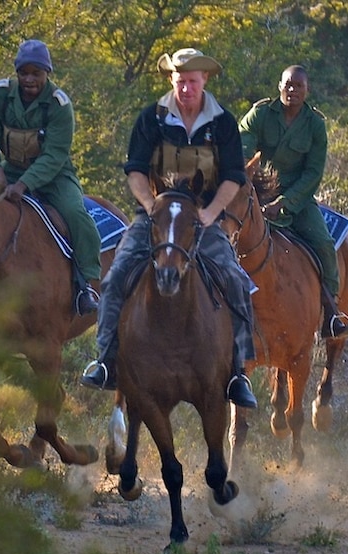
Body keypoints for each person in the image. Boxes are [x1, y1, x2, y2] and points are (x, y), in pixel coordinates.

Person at [80, 48, 258, 409]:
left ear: (204, 80)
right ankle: (107, 360)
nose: (187, 89)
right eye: (181, 82)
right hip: (156, 217)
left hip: (202, 221)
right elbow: (134, 171)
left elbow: (234, 177)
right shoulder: (152, 119)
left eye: (192, 82)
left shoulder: (222, 123)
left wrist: (211, 213)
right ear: (171, 81)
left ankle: (237, 372)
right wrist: (149, 206)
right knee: (115, 278)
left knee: (236, 281)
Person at [0, 39, 101, 315]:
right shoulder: (0, 95)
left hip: (54, 176)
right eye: (24, 73)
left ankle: (86, 284)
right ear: (16, 73)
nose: (29, 79)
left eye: (36, 73)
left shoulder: (58, 105)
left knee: (77, 215)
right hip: (9, 170)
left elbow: (54, 154)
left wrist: (24, 185)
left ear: (47, 73)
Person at [238, 65, 348, 338]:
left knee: (325, 244)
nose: (292, 90)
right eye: (288, 85)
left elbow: (313, 173)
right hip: (256, 193)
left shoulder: (315, 125)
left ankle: (331, 312)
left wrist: (285, 202)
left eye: (298, 86)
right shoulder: (261, 114)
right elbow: (242, 142)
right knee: (223, 233)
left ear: (307, 90)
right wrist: (247, 173)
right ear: (279, 86)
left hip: (297, 200)